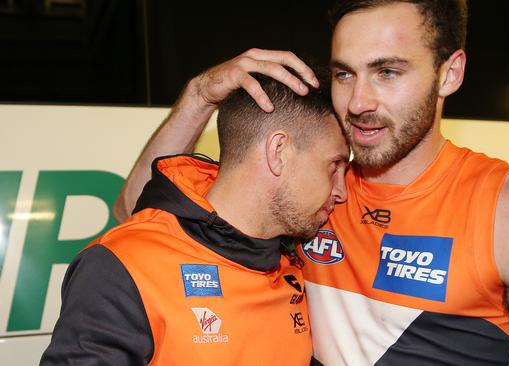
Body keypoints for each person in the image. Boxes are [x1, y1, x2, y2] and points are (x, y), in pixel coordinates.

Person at [114, 1, 509, 365]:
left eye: (387, 72)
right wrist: (201, 95)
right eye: (344, 74)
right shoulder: (304, 185)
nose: (358, 101)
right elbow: (139, 212)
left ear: (450, 74)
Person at [40, 72, 350, 365]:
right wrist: (200, 94)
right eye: (333, 165)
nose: (341, 192)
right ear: (278, 151)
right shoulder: (122, 266)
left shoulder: (299, 257)